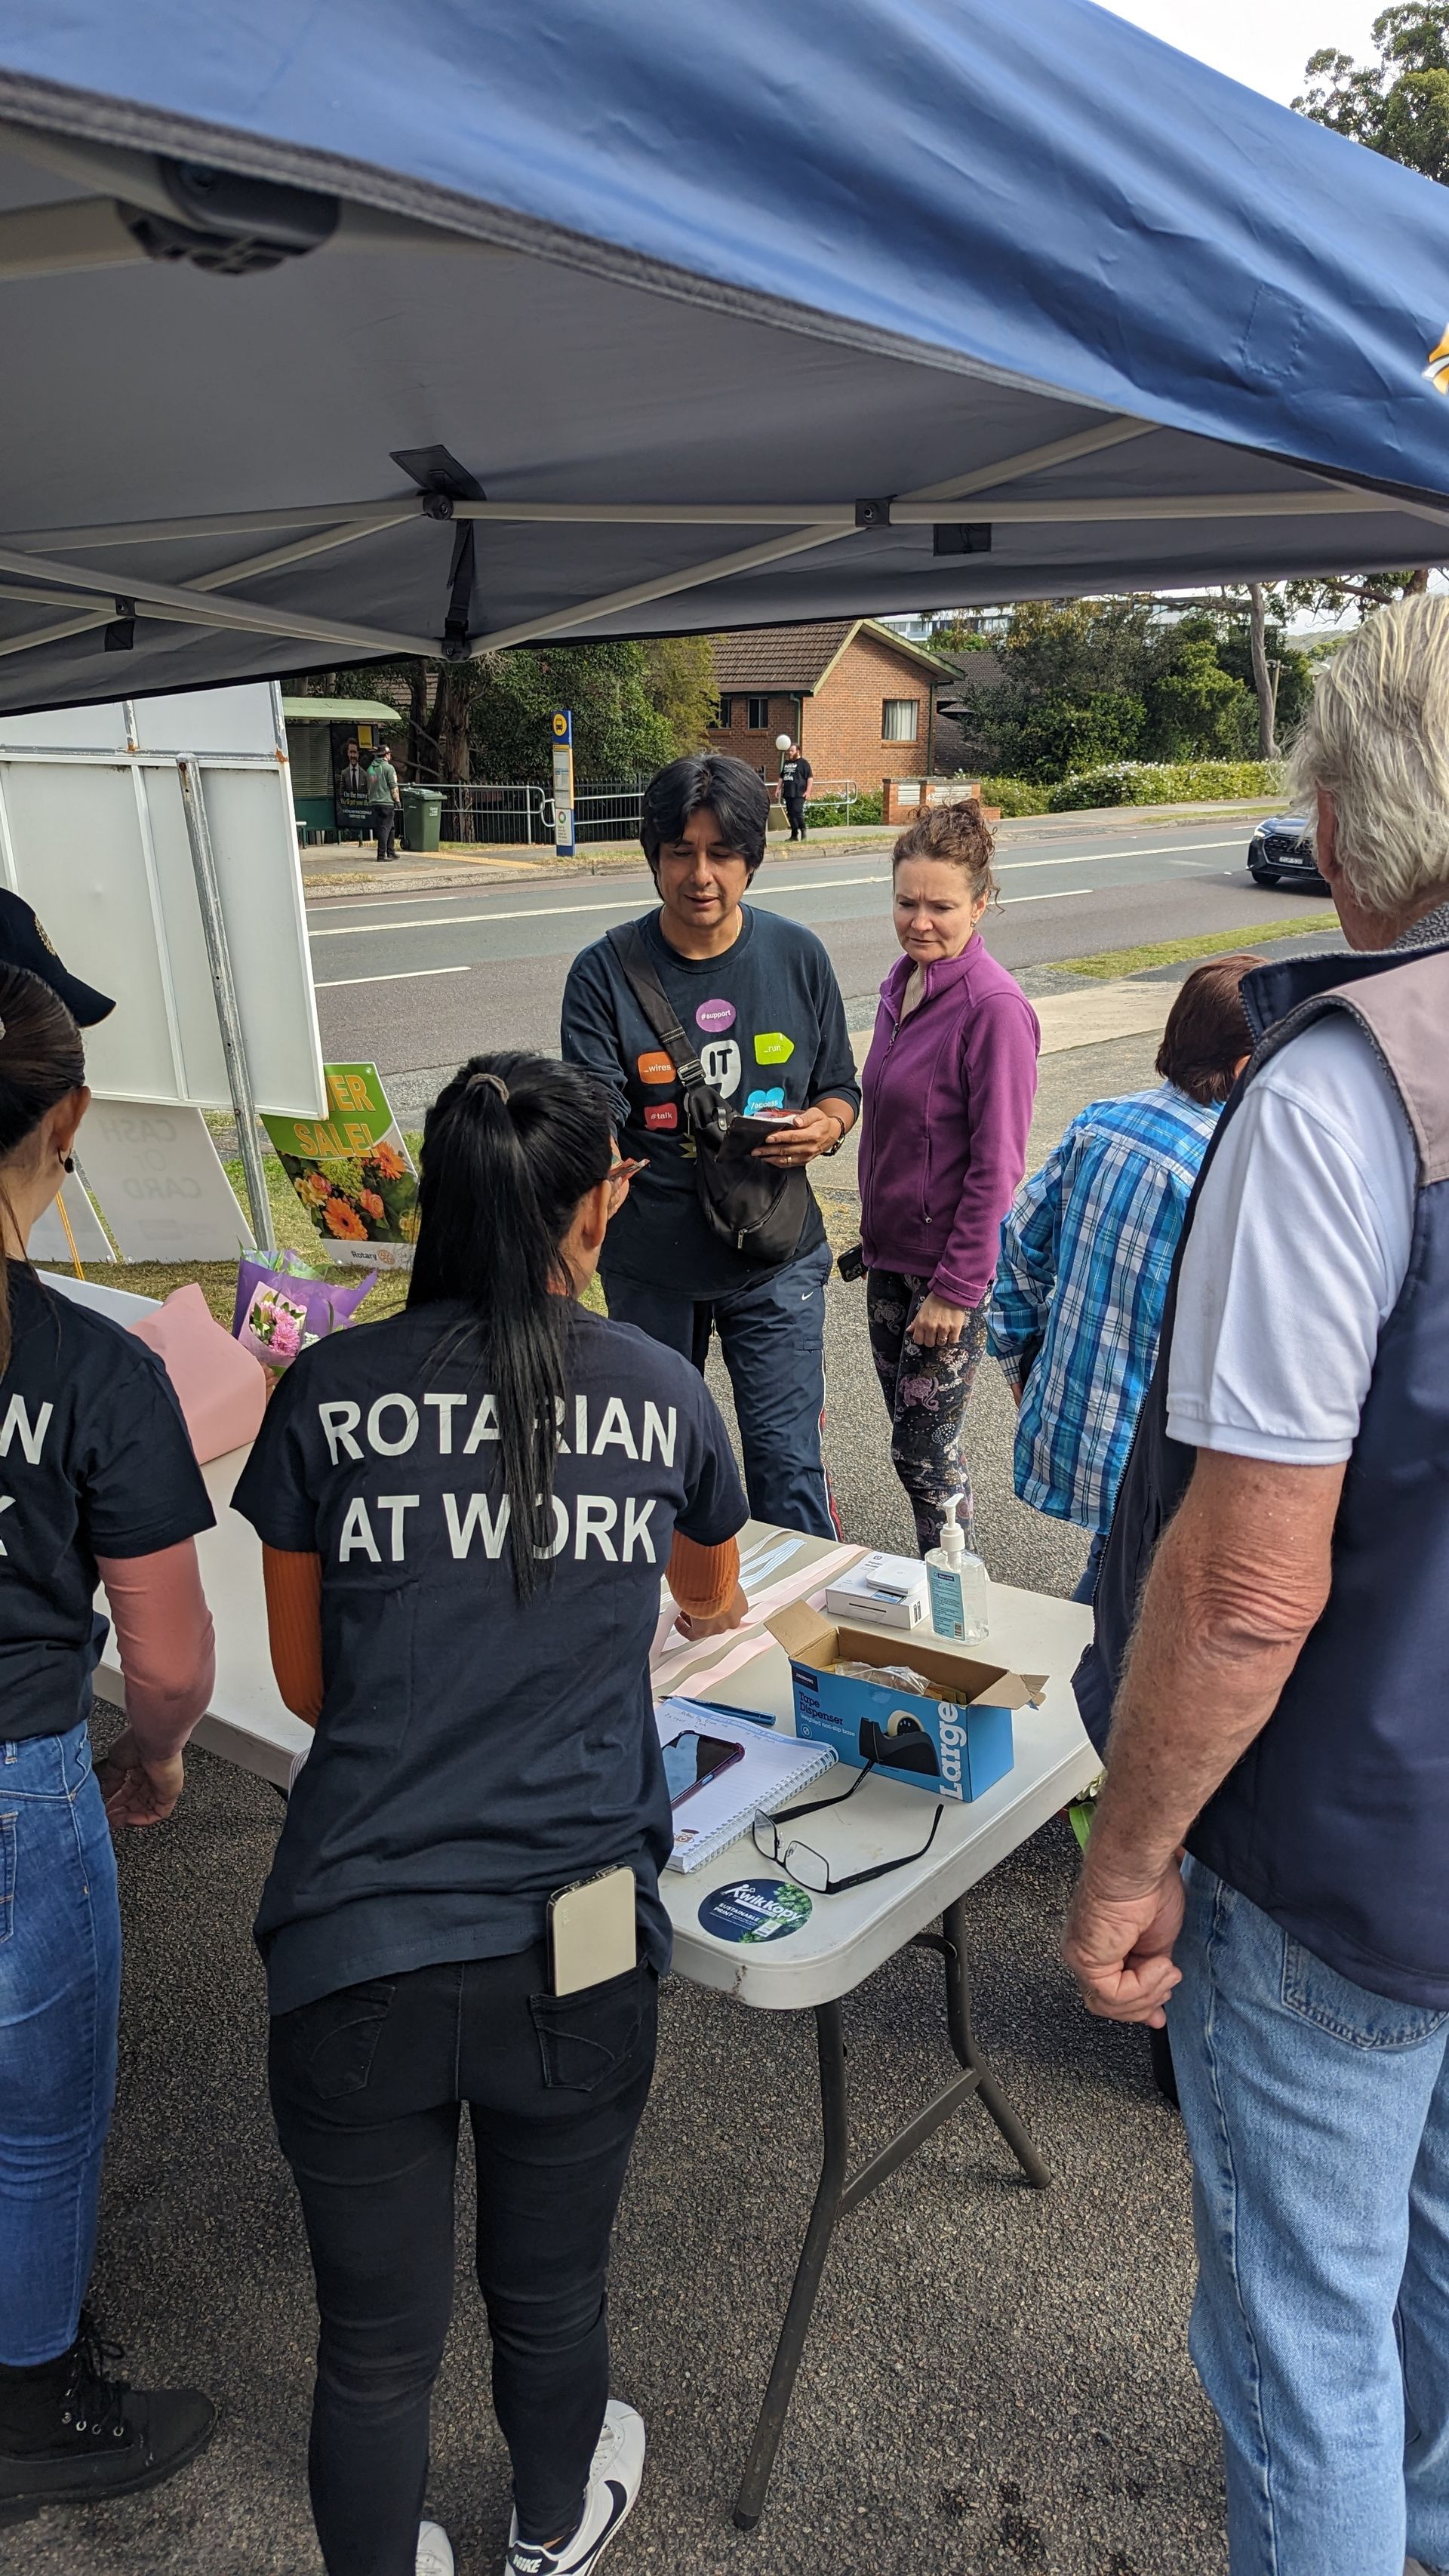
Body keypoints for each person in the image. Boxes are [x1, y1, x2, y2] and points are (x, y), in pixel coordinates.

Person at [234, 1051, 749, 2576]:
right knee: (554, 2287)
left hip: (357, 1939)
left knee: (373, 2345)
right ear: (599, 1200)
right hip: (578, 1934)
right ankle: (546, 2526)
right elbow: (710, 1599)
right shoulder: (662, 1392)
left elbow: (314, 1682)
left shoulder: (326, 1393)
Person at [1064, 595, 1449, 2576]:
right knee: (1437, 2320)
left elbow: (1240, 1591)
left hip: (1342, 1862)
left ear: (1356, 813)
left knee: (1308, 2359)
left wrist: (1131, 1861)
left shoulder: (1349, 1084)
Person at [0, 965, 218, 2528]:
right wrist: (152, 1758)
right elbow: (169, 1663)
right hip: (19, 1780)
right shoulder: (92, 1368)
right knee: (39, 2113)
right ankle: (32, 2401)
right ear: (64, 1118)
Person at [561, 754, 859, 1538]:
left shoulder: (797, 956)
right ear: (653, 856)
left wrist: (826, 1125)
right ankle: (671, 1633)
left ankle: (800, 1648)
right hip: (650, 1258)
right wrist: (594, 1162)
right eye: (680, 851)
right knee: (655, 1460)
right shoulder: (602, 973)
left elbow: (840, 1086)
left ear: (751, 858)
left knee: (786, 1461)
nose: (701, 874)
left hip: (775, 1250)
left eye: (723, 852)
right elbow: (596, 1104)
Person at [989, 953, 1262, 1602]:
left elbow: (1019, 1251)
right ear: (1246, 1065)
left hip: (1089, 1429)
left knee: (1116, 1567)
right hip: (1166, 1458)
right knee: (1136, 1608)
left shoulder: (1100, 1123)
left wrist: (1026, 1364)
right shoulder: (1229, 1170)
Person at [854, 796, 1038, 1556]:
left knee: (926, 1454)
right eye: (906, 902)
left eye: (941, 906)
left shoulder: (993, 1008)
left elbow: (999, 1167)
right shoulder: (903, 984)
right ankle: (944, 1590)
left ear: (982, 902)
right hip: (889, 1261)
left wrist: (956, 1290)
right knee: (912, 1442)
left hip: (944, 1276)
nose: (919, 920)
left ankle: (958, 1603)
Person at [368, 740, 401, 861]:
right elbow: (393, 786)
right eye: (389, 753)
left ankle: (391, 851)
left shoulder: (371, 769)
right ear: (386, 755)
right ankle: (381, 855)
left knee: (390, 827)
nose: (390, 755)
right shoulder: (389, 768)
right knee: (384, 828)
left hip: (375, 802)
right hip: (386, 802)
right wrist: (397, 800)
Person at [779, 740, 812, 841]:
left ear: (798, 751)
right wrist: (778, 789)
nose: (790, 753)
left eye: (792, 751)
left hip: (799, 793)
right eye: (789, 751)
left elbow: (810, 778)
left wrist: (808, 791)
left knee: (797, 812)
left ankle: (803, 830)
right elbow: (782, 777)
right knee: (791, 814)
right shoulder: (787, 763)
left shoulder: (804, 763)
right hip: (789, 792)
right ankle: (794, 835)